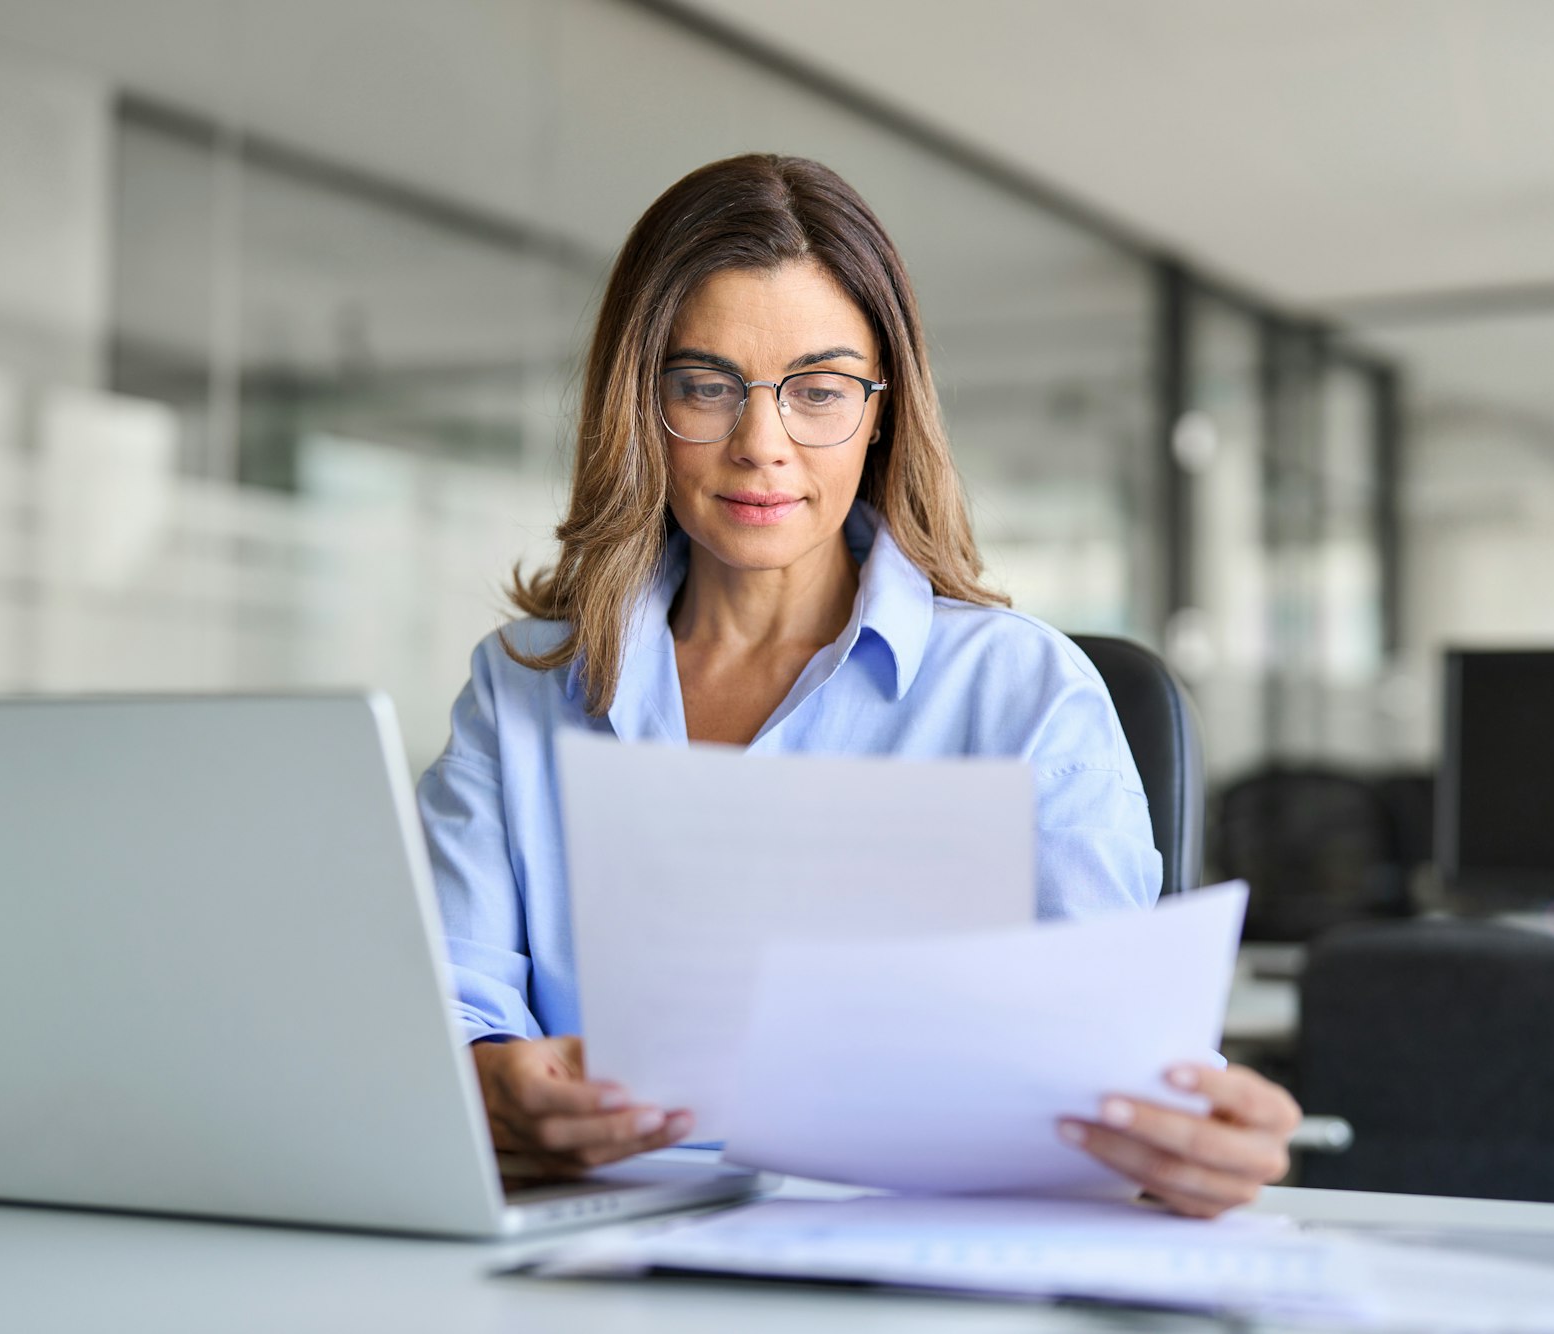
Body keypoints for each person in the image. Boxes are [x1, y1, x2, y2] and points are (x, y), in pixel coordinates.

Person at [417, 153, 1300, 1219]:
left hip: (925, 1265)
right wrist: (484, 1090)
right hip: (592, 1267)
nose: (760, 445)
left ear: (881, 409)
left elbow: (1125, 1087)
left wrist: (1191, 1145)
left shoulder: (1023, 696)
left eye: (819, 392)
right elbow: (443, 1028)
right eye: (703, 386)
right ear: (637, 403)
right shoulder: (520, 688)